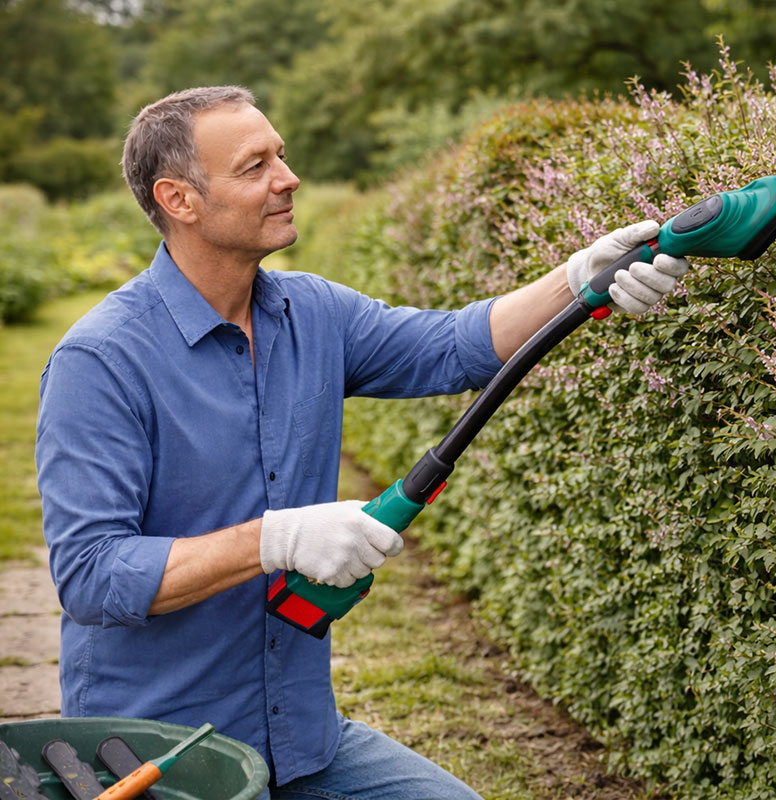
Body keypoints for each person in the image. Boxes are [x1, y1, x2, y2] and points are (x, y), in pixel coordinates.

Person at [35, 85, 688, 800]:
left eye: (280, 156)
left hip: (299, 739)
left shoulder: (312, 313)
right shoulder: (99, 362)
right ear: (179, 199)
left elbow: (457, 345)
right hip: (158, 758)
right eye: (255, 167)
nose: (288, 178)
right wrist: (273, 540)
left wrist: (576, 280)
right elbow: (93, 575)